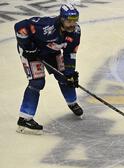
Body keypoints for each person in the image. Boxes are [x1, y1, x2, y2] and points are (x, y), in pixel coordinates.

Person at [14, 3, 82, 135]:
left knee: (65, 77)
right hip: (32, 53)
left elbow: (70, 53)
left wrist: (70, 73)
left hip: (51, 51)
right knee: (37, 83)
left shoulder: (75, 32)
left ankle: (72, 102)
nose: (72, 24)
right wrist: (28, 46)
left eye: (75, 20)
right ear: (62, 19)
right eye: (69, 21)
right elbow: (19, 27)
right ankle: (24, 119)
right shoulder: (47, 27)